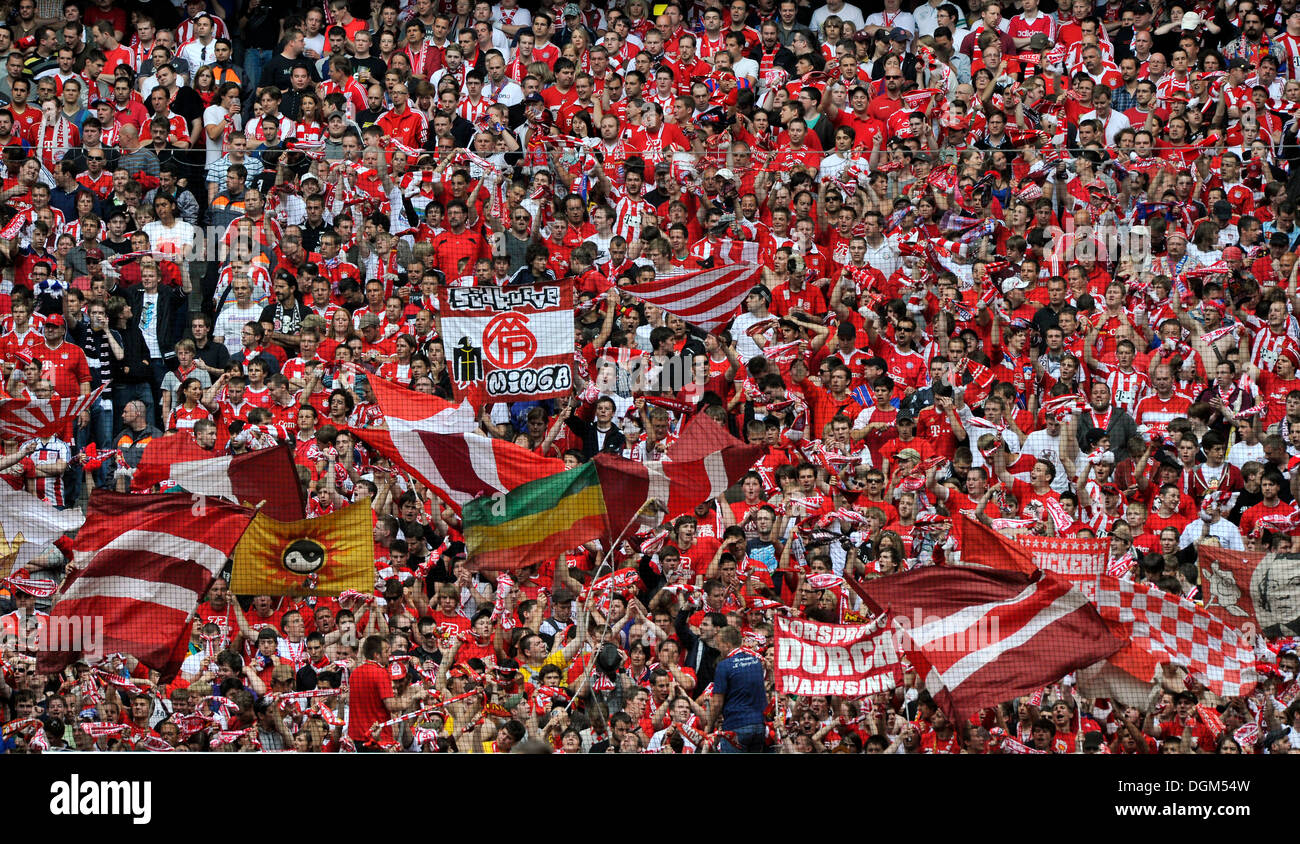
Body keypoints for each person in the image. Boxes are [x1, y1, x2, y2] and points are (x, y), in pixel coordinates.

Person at [707, 625, 766, 753]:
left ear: (727, 645)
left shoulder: (724, 666)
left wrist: (709, 726)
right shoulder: (756, 661)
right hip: (759, 726)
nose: (718, 649)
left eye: (719, 644)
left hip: (736, 727)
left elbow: (717, 703)